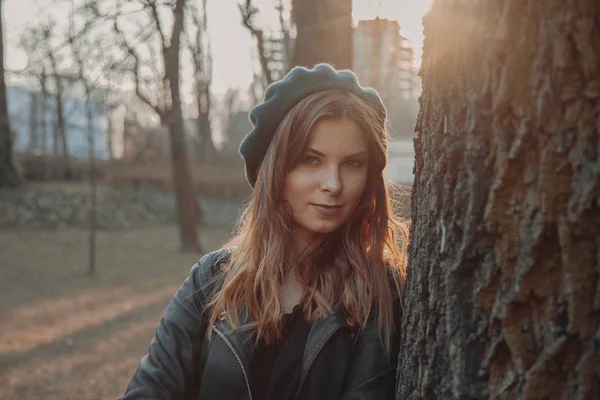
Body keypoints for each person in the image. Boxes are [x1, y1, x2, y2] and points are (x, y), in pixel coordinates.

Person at [119, 63, 408, 400]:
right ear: (275, 170)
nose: (333, 184)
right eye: (311, 160)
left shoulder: (379, 295)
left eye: (352, 163)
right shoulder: (212, 280)